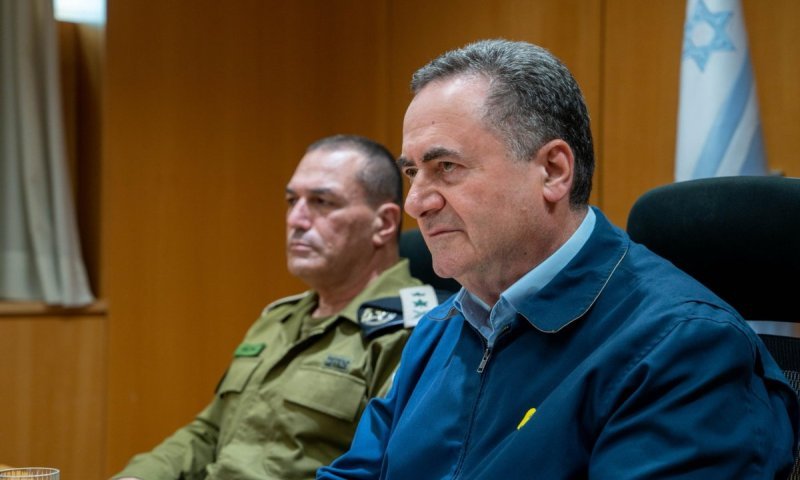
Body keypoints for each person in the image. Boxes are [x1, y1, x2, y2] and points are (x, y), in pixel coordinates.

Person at [317, 39, 799, 479]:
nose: (416, 203)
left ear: (552, 171)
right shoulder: (438, 328)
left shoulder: (684, 346)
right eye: (412, 173)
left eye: (446, 167)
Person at [113, 134, 440, 480]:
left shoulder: (416, 331)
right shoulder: (278, 318)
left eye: (321, 202)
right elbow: (209, 433)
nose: (296, 219)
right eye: (291, 200)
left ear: (384, 223)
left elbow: (382, 468)